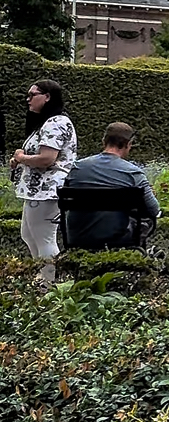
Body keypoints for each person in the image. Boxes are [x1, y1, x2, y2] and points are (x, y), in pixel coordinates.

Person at [10, 78, 77, 286]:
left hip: (46, 191)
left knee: (44, 238)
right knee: (29, 235)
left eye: (33, 95)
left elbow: (47, 159)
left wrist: (21, 158)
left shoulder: (56, 122)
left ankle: (50, 283)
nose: (28, 99)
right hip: (38, 190)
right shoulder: (49, 122)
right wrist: (21, 159)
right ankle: (43, 278)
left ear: (47, 97)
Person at [65, 122, 160, 249]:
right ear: (128, 144)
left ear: (104, 141)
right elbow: (153, 209)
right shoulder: (133, 173)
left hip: (77, 237)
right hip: (117, 238)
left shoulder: (77, 168)